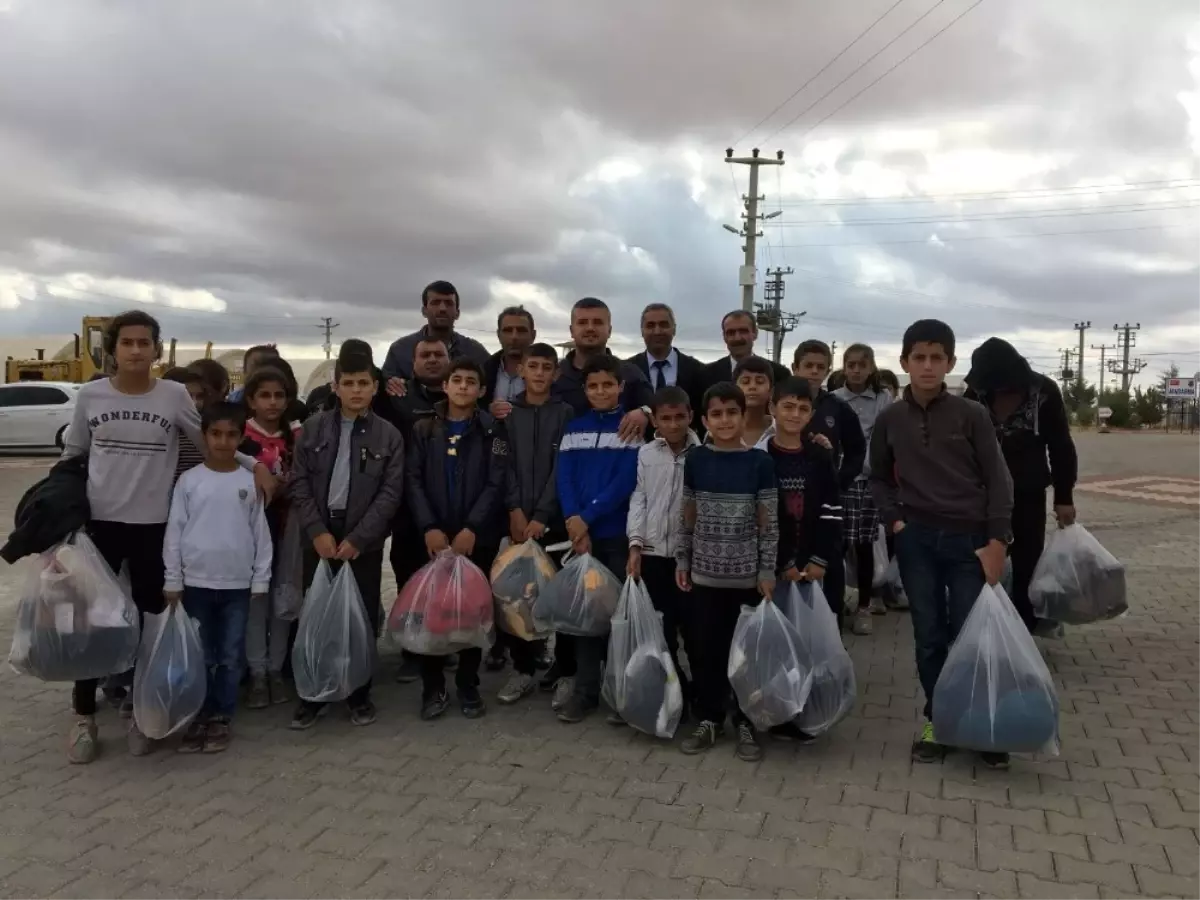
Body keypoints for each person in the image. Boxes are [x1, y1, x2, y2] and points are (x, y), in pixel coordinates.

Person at [61, 311, 274, 764]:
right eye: (127, 343)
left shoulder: (174, 395)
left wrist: (252, 464)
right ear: (112, 350)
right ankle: (84, 717)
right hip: (100, 527)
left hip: (153, 527)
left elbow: (209, 441)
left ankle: (143, 712)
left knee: (148, 623)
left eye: (145, 343)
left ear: (157, 350)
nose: (136, 350)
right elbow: (74, 453)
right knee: (94, 622)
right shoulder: (91, 396)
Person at [869, 319, 1014, 769]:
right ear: (904, 363)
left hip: (970, 541)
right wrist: (895, 522)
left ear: (950, 363)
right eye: (919, 358)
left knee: (973, 636)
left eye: (937, 358)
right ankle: (939, 720)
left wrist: (997, 539)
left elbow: (997, 477)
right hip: (917, 543)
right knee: (929, 637)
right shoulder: (890, 417)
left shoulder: (971, 415)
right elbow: (877, 475)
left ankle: (983, 725)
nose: (928, 366)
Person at [288, 348, 405, 730]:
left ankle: (358, 692)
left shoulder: (389, 436)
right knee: (317, 614)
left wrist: (359, 538)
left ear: (375, 388)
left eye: (363, 383)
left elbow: (390, 492)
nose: (356, 390)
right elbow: (299, 482)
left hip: (363, 544)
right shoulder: (313, 428)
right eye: (348, 383)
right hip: (319, 537)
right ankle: (313, 694)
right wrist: (317, 531)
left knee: (361, 618)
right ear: (335, 387)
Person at [675, 382, 778, 762]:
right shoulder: (697, 460)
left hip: (748, 579)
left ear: (742, 415)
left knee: (745, 654)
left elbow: (769, 523)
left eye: (731, 412)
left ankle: (747, 720)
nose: (724, 420)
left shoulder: (760, 463)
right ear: (704, 420)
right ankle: (710, 717)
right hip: (703, 577)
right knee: (705, 651)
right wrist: (683, 559)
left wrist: (767, 569)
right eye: (716, 414)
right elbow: (687, 514)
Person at [164, 402, 273, 754]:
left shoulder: (249, 482)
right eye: (215, 434)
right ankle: (198, 714)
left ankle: (221, 717)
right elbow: (174, 533)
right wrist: (173, 579)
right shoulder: (189, 481)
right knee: (201, 654)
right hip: (195, 585)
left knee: (229, 654)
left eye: (231, 435)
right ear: (205, 436)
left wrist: (260, 579)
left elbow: (261, 535)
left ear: (241, 437)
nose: (223, 442)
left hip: (237, 586)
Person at [405, 357, 508, 720]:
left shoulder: (493, 430)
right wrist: (429, 527)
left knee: (471, 611)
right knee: (433, 612)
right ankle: (432, 687)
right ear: (444, 386)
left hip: (474, 537)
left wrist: (473, 528)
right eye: (456, 380)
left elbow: (496, 483)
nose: (463, 386)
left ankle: (467, 683)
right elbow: (413, 480)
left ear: (481, 390)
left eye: (470, 381)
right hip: (433, 536)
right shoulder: (423, 429)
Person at [963, 338, 1078, 635]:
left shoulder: (1044, 392)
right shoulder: (976, 392)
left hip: (1027, 492)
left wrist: (1064, 496)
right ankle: (981, 628)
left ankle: (1023, 632)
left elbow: (1061, 445)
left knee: (1028, 563)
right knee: (980, 562)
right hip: (981, 495)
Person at [555, 355, 642, 724]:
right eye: (593, 386)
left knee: (620, 619)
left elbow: (625, 482)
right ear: (585, 389)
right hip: (582, 541)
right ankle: (586, 692)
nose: (601, 391)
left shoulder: (632, 429)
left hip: (615, 538)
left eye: (608, 384)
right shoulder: (574, 428)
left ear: (620, 387)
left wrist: (586, 517)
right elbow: (564, 477)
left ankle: (622, 691)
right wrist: (574, 522)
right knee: (587, 619)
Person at [496, 343, 574, 704]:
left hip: (553, 523)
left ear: (555, 373)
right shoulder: (508, 415)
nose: (540, 373)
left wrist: (542, 516)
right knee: (516, 598)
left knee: (562, 598)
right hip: (516, 523)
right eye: (533, 366)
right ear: (521, 370)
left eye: (547, 367)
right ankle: (523, 668)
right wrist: (514, 510)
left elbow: (564, 469)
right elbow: (503, 465)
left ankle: (566, 671)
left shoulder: (567, 414)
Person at [625, 385, 700, 722]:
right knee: (661, 630)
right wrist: (635, 544)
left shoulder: (705, 452)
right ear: (654, 420)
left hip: (691, 558)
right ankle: (671, 693)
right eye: (665, 418)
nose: (673, 425)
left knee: (695, 630)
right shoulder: (646, 454)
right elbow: (639, 498)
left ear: (690, 416)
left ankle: (703, 694)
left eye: (679, 417)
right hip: (654, 553)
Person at [240, 367, 303, 708]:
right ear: (251, 399)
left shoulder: (297, 437)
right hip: (250, 534)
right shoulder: (240, 439)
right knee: (256, 603)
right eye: (265, 395)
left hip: (288, 532)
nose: (273, 402)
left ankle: (277, 670)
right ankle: (257, 673)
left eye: (279, 395)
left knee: (284, 600)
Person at [793, 339, 866, 627]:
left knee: (830, 560)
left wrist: (841, 481)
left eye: (820, 367)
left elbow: (857, 448)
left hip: (825, 501)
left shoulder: (836, 408)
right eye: (808, 366)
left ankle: (831, 635)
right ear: (795, 367)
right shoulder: (780, 401)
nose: (813, 372)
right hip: (787, 500)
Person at [833, 343, 893, 634]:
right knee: (836, 544)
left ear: (871, 368)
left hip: (867, 481)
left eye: (861, 365)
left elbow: (884, 440)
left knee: (863, 544)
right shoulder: (833, 399)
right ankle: (834, 602)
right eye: (851, 364)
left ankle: (864, 606)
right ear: (844, 367)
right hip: (837, 480)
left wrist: (863, 466)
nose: (856, 370)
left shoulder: (883, 399)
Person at [551, 298, 653, 440]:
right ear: (571, 330)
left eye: (598, 322)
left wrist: (644, 411)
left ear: (609, 330)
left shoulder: (630, 373)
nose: (590, 328)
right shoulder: (553, 375)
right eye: (582, 322)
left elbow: (656, 407)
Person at [381, 280, 491, 386]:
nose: (442, 308)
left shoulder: (475, 352)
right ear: (424, 311)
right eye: (435, 303)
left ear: (457, 313)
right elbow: (384, 389)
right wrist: (390, 383)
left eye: (449, 303)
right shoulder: (400, 350)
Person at [625, 303, 707, 431]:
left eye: (663, 325)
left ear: (674, 329)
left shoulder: (698, 370)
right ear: (642, 331)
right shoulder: (627, 370)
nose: (657, 331)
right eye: (650, 326)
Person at [701, 310, 789, 390]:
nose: (737, 338)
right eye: (731, 333)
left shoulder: (779, 374)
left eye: (743, 331)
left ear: (755, 334)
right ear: (724, 337)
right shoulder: (705, 375)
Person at [483, 306, 536, 416]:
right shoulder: (483, 372)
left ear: (533, 335)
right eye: (508, 330)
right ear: (498, 335)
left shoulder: (547, 375)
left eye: (521, 331)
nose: (514, 337)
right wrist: (486, 412)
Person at [161, 367, 206, 481]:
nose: (194, 403)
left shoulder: (205, 430)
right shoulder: (156, 431)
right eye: (188, 396)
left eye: (199, 396)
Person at [733, 357, 776, 448]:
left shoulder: (781, 430)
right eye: (745, 382)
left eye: (760, 382)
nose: (752, 386)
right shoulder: (720, 429)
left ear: (771, 391)